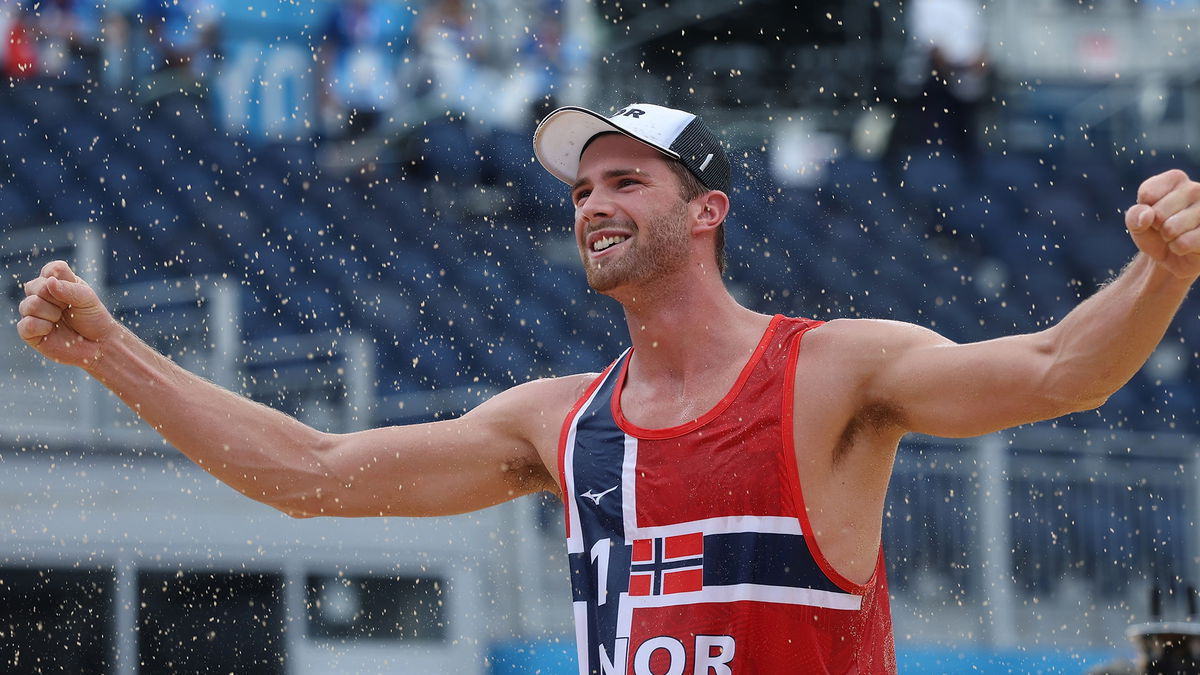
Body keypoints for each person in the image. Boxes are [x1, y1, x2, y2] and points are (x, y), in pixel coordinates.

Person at [16, 102, 1200, 674]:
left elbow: (1060, 372)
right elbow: (311, 477)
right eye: (581, 189)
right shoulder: (559, 419)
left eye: (625, 180)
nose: (591, 205)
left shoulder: (835, 368)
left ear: (707, 210)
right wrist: (111, 352)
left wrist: (1160, 270)